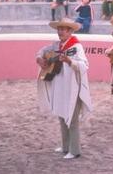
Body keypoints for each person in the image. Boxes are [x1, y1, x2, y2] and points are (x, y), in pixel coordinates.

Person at [36, 18, 93, 160]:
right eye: (59, 29)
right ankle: (65, 146)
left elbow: (84, 65)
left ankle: (75, 150)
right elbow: (43, 51)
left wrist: (69, 61)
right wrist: (39, 58)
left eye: (63, 29)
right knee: (62, 116)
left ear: (70, 31)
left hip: (73, 88)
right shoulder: (57, 45)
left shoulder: (76, 47)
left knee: (72, 119)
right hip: (60, 86)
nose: (60, 32)